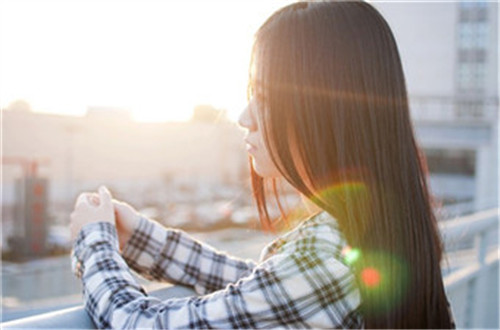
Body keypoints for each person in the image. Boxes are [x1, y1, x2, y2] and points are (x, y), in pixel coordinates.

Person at [70, 1, 456, 328]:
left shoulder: (322, 255)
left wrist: (95, 241)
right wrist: (140, 238)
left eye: (266, 97)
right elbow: (263, 292)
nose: (244, 116)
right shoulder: (381, 226)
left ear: (326, 110)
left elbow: (136, 323)